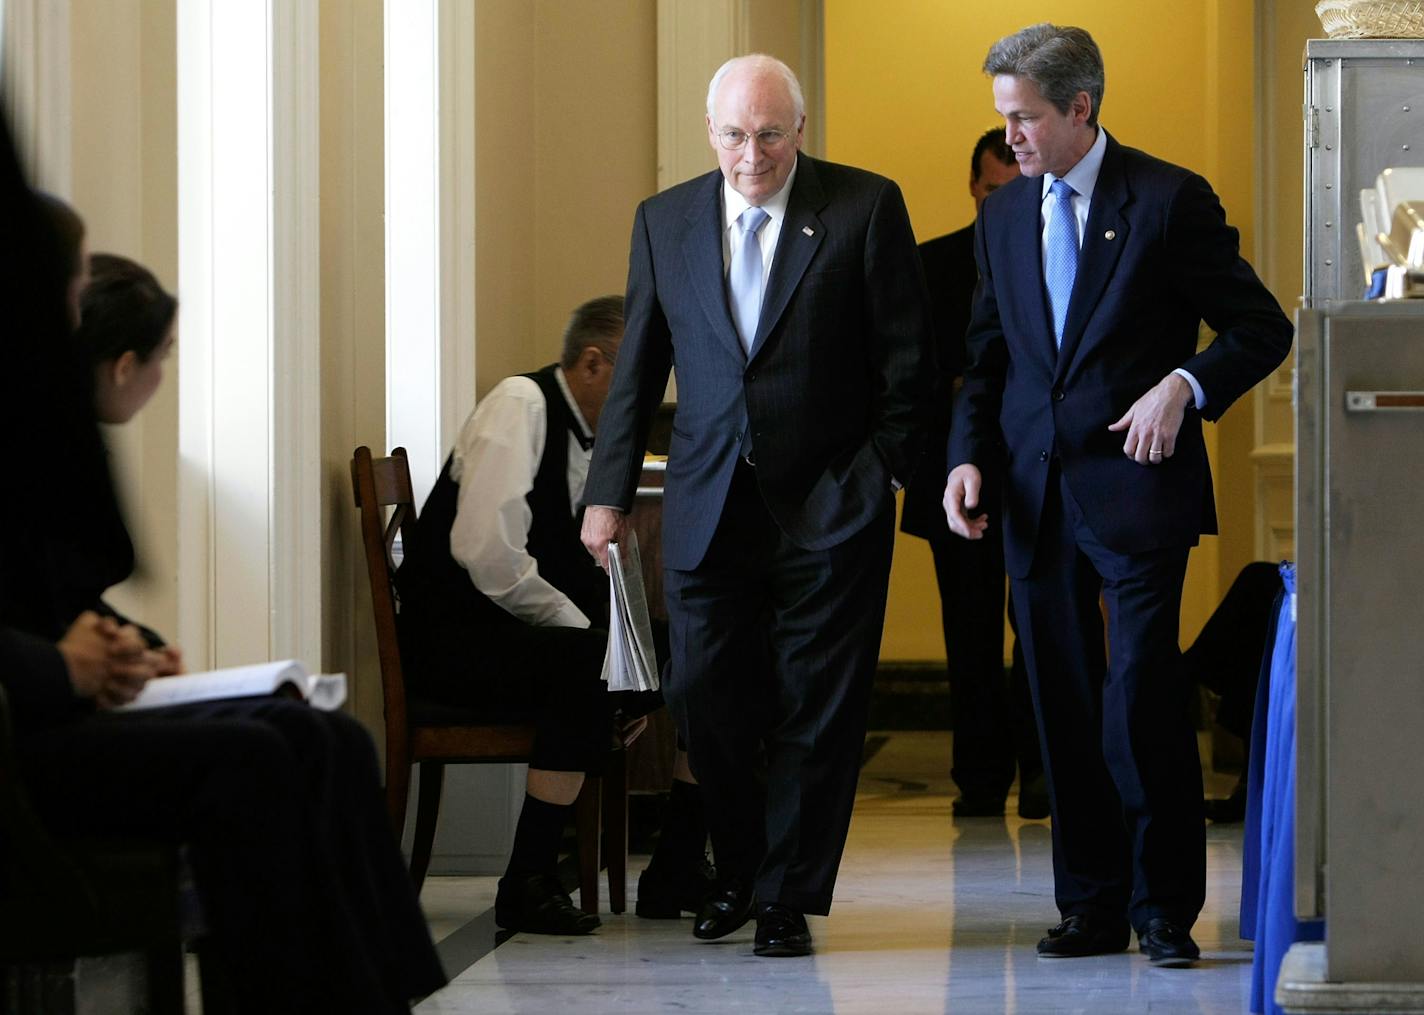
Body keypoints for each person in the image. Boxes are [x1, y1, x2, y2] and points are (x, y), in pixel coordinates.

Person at [0, 179, 446, 1012]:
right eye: (65, 289)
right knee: (257, 756)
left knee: (324, 737)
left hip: (54, 706)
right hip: (22, 736)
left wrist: (119, 641)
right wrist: (60, 665)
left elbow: (53, 591)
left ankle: (391, 993)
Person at [942, 24, 1292, 968]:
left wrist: (1185, 385)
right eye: (1003, 118)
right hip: (1029, 492)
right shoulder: (1003, 216)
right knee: (1058, 705)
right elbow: (986, 363)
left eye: (1023, 118)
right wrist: (965, 460)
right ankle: (1089, 903)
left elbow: (1263, 329)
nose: (1008, 137)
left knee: (1139, 698)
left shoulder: (1169, 200)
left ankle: (1163, 907)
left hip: (1136, 491)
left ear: (1080, 108)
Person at [580, 54, 932, 958]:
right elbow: (637, 370)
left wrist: (878, 475)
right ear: (710, 133)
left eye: (770, 134)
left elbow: (908, 365)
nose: (752, 154)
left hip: (831, 506)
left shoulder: (863, 206)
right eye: (735, 135)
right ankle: (736, 866)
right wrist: (606, 495)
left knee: (818, 710)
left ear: (800, 131)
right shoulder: (665, 221)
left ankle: (783, 897)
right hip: (706, 503)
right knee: (703, 701)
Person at [394, 295, 711, 936]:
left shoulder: (593, 435)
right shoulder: (521, 405)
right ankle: (527, 881)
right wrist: (593, 642)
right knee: (589, 665)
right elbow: (485, 554)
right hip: (455, 641)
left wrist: (628, 660)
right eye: (638, 376)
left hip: (516, 637)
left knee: (705, 654)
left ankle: (676, 860)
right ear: (594, 364)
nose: (645, 398)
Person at [902, 126, 1047, 820]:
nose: (1003, 202)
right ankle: (980, 778)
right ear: (973, 187)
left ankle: (1044, 771)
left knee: (1045, 622)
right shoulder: (929, 266)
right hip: (955, 468)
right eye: (992, 190)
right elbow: (912, 376)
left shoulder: (1054, 249)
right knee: (970, 631)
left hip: (1036, 467)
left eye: (1013, 188)